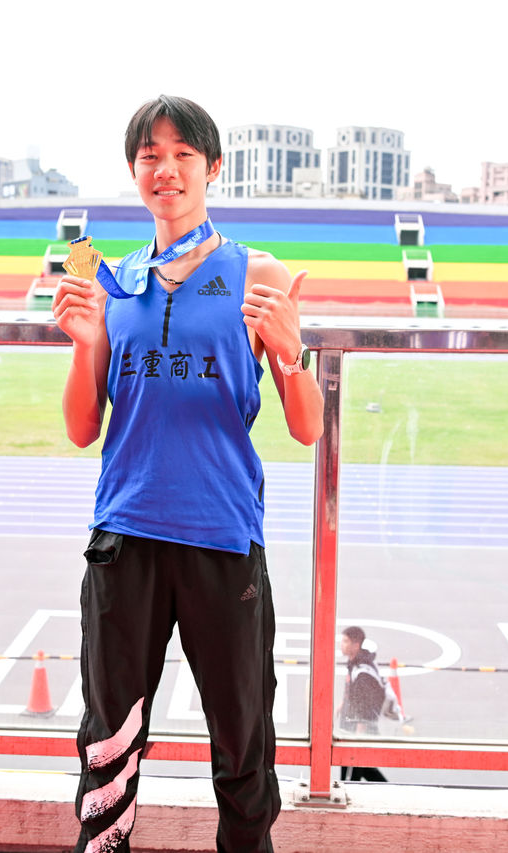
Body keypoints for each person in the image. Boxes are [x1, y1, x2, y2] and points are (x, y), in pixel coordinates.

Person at [52, 95, 324, 853]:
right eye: (150, 156)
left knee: (243, 741)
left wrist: (290, 348)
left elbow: (307, 425)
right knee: (108, 745)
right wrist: (83, 342)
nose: (165, 170)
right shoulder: (110, 279)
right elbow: (82, 428)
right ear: (134, 170)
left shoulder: (257, 273)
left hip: (222, 535)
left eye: (182, 155)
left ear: (213, 168)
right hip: (125, 535)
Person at [337, 626, 389, 782]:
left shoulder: (363, 673)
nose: (341, 644)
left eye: (346, 641)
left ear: (356, 645)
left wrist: (359, 734)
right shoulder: (356, 662)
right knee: (362, 767)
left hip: (357, 730)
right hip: (352, 728)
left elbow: (365, 704)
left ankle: (388, 789)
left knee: (352, 772)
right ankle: (389, 788)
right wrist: (343, 704)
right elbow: (354, 692)